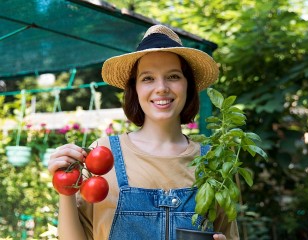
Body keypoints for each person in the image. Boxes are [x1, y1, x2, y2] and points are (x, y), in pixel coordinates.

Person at [48, 24, 239, 240]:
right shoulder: (101, 154)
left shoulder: (213, 163)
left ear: (188, 86)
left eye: (173, 76)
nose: (161, 88)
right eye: (148, 78)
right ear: (135, 88)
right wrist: (65, 191)